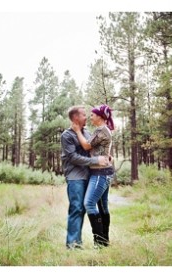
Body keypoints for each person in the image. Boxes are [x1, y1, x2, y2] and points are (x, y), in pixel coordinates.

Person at [61, 105, 109, 250]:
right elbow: (73, 157)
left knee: (97, 206)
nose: (86, 116)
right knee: (77, 208)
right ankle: (73, 244)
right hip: (75, 177)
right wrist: (95, 161)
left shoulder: (87, 132)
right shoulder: (67, 135)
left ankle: (101, 242)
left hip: (91, 175)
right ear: (75, 118)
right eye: (83, 114)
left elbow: (91, 149)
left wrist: (106, 157)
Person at [73, 104, 115, 247]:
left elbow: (86, 146)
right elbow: (101, 149)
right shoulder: (102, 130)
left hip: (100, 173)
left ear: (99, 116)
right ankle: (105, 242)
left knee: (89, 203)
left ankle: (99, 241)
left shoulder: (102, 130)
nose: (90, 117)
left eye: (92, 114)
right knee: (102, 207)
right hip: (104, 171)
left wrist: (78, 131)